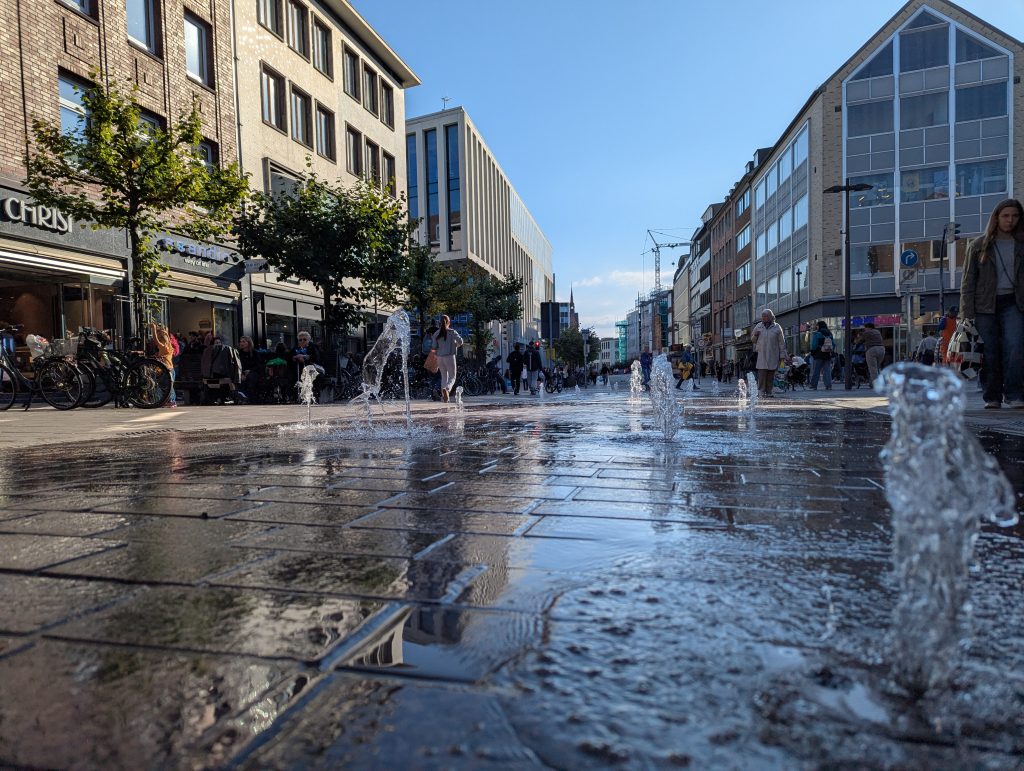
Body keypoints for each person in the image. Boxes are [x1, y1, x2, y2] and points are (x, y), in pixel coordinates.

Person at [960, 198, 1024, 409]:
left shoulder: (1021, 244)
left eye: (1015, 216)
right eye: (1006, 216)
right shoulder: (979, 245)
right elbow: (968, 281)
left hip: (1014, 303)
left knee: (1015, 346)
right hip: (984, 305)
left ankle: (1014, 393)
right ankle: (992, 396)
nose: (1010, 220)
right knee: (989, 352)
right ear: (996, 217)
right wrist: (966, 314)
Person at [751, 307, 785, 397]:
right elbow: (753, 340)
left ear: (770, 317)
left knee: (771, 374)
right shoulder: (758, 326)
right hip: (762, 354)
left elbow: (781, 342)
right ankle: (761, 391)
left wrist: (782, 355)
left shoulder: (777, 327)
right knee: (762, 374)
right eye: (762, 316)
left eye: (765, 316)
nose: (763, 318)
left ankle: (769, 391)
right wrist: (755, 335)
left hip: (773, 354)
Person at [431, 315, 463, 403]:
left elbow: (434, 347)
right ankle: (447, 389)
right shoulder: (452, 332)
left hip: (439, 357)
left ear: (439, 322)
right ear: (449, 322)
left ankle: (444, 397)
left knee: (444, 377)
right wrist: (455, 344)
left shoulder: (436, 333)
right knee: (452, 377)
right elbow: (460, 341)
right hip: (449, 356)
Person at [149, 322, 177, 408]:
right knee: (170, 386)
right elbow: (166, 338)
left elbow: (155, 340)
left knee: (165, 385)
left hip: (166, 369)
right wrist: (165, 332)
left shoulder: (163, 347)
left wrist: (154, 329)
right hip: (171, 369)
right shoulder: (169, 346)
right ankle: (172, 401)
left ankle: (170, 401)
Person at [809, 320, 835, 390]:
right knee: (827, 370)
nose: (816, 327)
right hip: (828, 354)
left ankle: (814, 385)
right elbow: (833, 344)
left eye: (817, 325)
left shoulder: (817, 334)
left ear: (819, 326)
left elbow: (814, 345)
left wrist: (813, 351)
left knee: (816, 370)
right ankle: (828, 385)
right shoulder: (830, 334)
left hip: (819, 354)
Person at [237, 335, 262, 402]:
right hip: (241, 372)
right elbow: (237, 365)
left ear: (249, 343)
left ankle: (249, 397)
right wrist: (241, 374)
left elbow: (259, 366)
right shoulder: (238, 353)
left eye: (244, 342)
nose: (241, 343)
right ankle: (241, 395)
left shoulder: (255, 353)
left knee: (251, 377)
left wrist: (250, 371)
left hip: (253, 372)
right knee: (239, 378)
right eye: (240, 342)